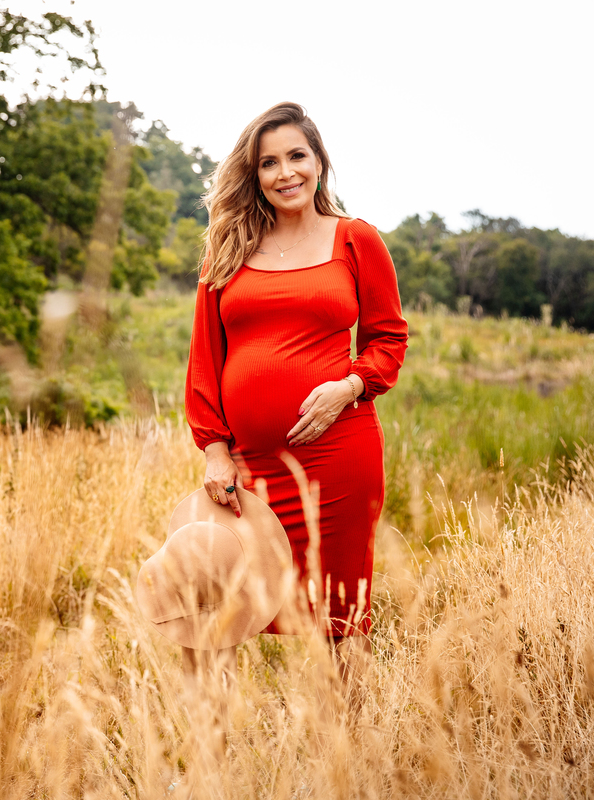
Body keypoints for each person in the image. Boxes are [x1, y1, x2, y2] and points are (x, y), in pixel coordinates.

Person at [184, 102, 408, 684]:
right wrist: (214, 448)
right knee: (219, 604)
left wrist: (348, 388)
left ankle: (347, 755)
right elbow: (205, 358)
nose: (285, 173)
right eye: (268, 163)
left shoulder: (356, 240)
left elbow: (388, 339)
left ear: (318, 162)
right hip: (249, 466)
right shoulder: (229, 249)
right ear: (253, 175)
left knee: (339, 613)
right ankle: (215, 757)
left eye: (296, 157)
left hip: (339, 457)